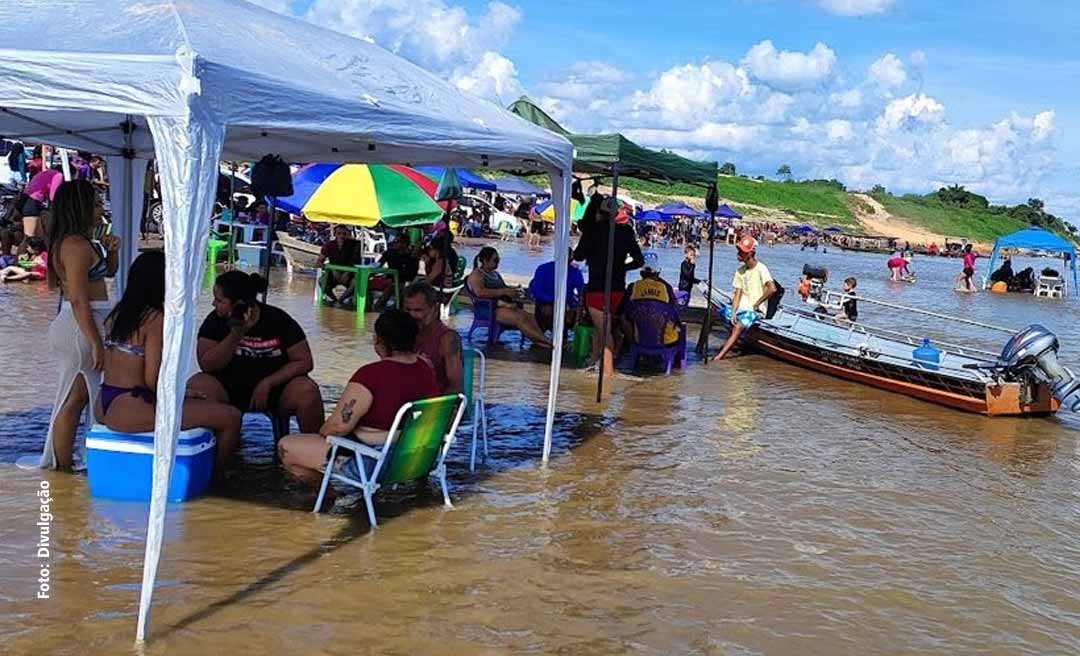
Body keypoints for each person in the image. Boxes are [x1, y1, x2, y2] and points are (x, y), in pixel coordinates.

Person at [97, 252, 242, 476]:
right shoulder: (155, 318)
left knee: (205, 404)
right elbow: (153, 379)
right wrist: (185, 393)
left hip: (105, 402)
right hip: (131, 405)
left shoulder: (118, 313)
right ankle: (216, 482)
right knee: (231, 417)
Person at [278, 309, 440, 492]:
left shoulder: (371, 375)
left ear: (379, 340)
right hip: (419, 458)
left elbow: (337, 428)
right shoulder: (426, 368)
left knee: (287, 446)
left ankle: (325, 498)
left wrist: (325, 433)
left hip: (377, 465)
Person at [42, 180, 120, 469]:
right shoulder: (74, 245)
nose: (101, 208)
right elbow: (78, 299)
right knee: (75, 396)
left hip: (88, 321)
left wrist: (112, 251)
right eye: (96, 203)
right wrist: (96, 341)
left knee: (82, 393)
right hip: (80, 325)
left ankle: (68, 462)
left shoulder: (85, 242)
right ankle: (60, 467)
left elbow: (107, 274)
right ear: (81, 207)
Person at [194, 270, 325, 433]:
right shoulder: (215, 320)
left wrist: (268, 382)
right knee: (198, 384)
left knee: (307, 389)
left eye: (219, 300)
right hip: (228, 388)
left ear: (239, 303)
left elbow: (304, 361)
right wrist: (235, 335)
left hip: (275, 390)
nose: (214, 304)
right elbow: (207, 365)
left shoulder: (278, 319)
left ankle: (316, 449)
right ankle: (212, 447)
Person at [573, 196, 645, 376]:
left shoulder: (592, 231)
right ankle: (592, 363)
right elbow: (639, 261)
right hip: (617, 288)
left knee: (605, 333)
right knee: (602, 329)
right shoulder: (626, 231)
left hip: (597, 288)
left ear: (598, 212)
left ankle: (609, 374)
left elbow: (578, 256)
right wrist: (620, 267)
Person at [467, 246, 553, 348]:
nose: (497, 263)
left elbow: (503, 288)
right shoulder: (477, 274)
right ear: (485, 260)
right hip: (490, 309)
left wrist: (512, 291)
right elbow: (479, 292)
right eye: (495, 260)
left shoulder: (495, 274)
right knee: (519, 318)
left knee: (529, 317)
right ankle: (547, 342)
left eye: (498, 260)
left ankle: (540, 341)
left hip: (503, 306)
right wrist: (503, 292)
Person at [713, 236, 776, 361]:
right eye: (739, 251)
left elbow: (772, 288)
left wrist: (758, 303)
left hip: (755, 311)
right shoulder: (740, 271)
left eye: (742, 252)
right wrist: (733, 312)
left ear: (750, 254)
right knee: (712, 313)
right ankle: (700, 347)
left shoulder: (761, 268)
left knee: (738, 327)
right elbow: (738, 294)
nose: (739, 254)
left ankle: (719, 358)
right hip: (741, 308)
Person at [403, 281, 464, 394]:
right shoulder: (401, 333)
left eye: (418, 310)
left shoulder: (447, 338)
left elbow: (455, 386)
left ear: (434, 309)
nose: (411, 315)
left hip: (434, 403)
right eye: (407, 310)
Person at [624, 254, 683, 348]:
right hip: (665, 340)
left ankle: (626, 347)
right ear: (657, 273)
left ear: (641, 273)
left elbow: (627, 311)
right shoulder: (666, 288)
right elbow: (674, 312)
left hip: (639, 338)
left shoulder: (633, 287)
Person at [527, 249, 584, 333]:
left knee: (574, 313)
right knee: (548, 311)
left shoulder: (575, 272)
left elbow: (581, 293)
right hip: (545, 303)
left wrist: (576, 307)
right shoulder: (543, 269)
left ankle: (564, 336)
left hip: (567, 304)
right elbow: (536, 291)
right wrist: (555, 301)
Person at [371, 233, 421, 309]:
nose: (394, 243)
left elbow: (411, 276)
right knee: (360, 281)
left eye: (397, 241)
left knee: (393, 286)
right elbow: (378, 265)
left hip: (400, 282)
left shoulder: (411, 257)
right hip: (386, 280)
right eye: (394, 241)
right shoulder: (389, 253)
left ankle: (377, 307)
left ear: (404, 244)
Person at [315, 225, 358, 305]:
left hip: (350, 273)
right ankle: (334, 300)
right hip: (333, 274)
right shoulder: (329, 245)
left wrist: (348, 273)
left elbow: (357, 262)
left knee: (356, 283)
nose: (342, 236)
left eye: (344, 234)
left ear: (348, 234)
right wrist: (332, 269)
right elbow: (318, 263)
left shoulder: (354, 245)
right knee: (321, 280)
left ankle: (340, 300)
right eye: (339, 233)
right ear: (335, 234)